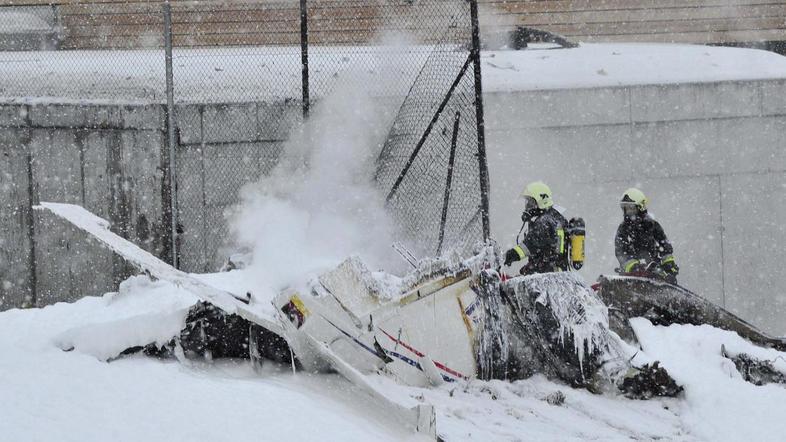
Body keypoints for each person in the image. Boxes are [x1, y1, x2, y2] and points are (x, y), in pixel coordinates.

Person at [615, 188, 679, 284]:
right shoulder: (623, 229)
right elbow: (620, 251)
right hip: (631, 277)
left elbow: (665, 247)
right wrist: (633, 266)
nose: (628, 212)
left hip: (654, 271)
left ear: (641, 207)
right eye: (625, 208)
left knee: (669, 282)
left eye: (631, 208)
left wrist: (669, 264)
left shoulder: (652, 225)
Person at [504, 181, 568, 275]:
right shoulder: (554, 217)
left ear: (541, 201)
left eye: (530, 203)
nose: (527, 207)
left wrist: (510, 255)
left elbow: (529, 245)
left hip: (548, 274)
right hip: (555, 271)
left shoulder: (543, 222)